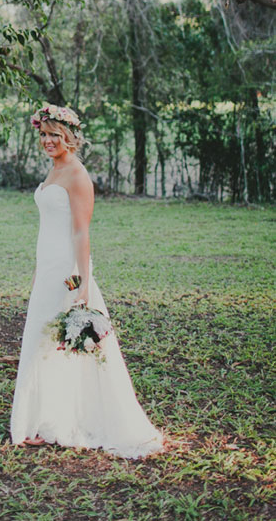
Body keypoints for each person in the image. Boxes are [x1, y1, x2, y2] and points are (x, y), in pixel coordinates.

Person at [10, 104, 163, 457]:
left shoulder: (77, 176)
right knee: (43, 339)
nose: (48, 141)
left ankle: (46, 422)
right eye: (44, 134)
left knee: (52, 341)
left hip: (67, 272)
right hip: (48, 267)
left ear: (70, 138)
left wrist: (81, 282)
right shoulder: (54, 170)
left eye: (55, 135)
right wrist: (38, 268)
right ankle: (44, 419)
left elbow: (81, 233)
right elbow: (49, 226)